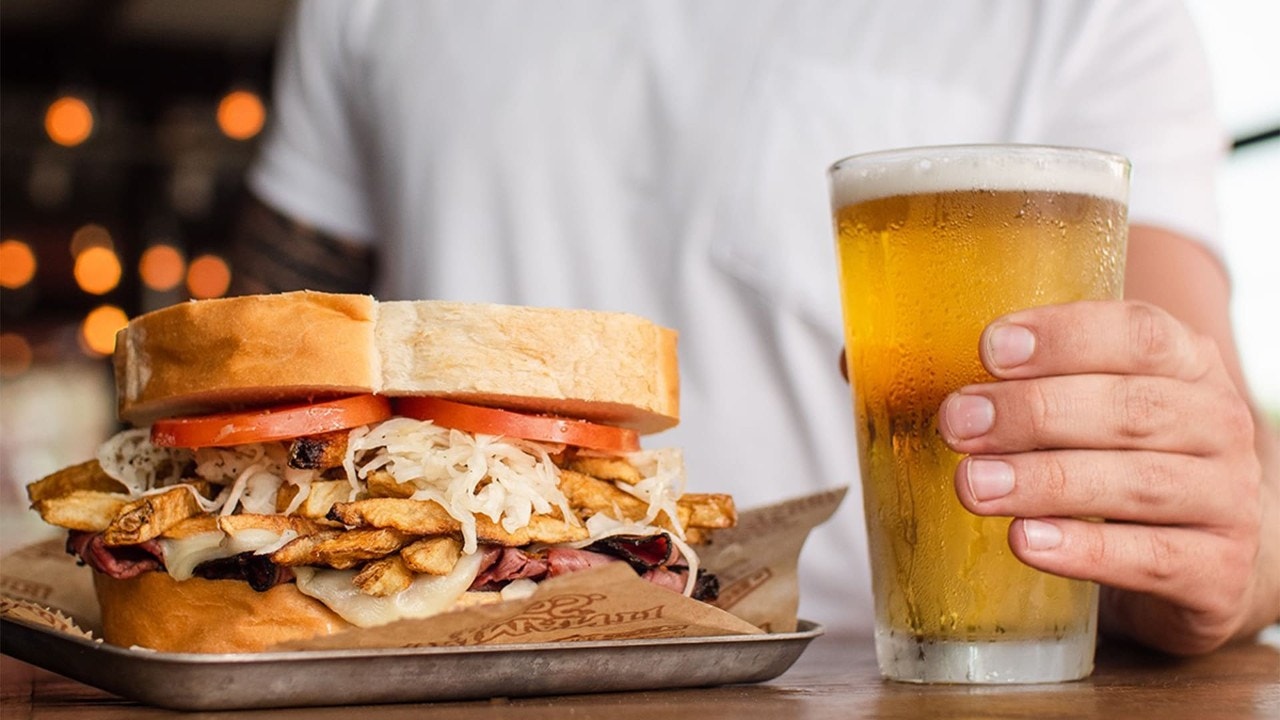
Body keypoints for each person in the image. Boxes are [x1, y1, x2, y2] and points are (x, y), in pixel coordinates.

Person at [231, 0, 1278, 653]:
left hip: (859, 679)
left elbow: (1221, 464)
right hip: (418, 659)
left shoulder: (1093, 13)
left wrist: (1223, 560)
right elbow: (260, 370)